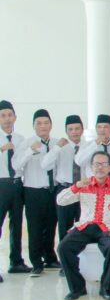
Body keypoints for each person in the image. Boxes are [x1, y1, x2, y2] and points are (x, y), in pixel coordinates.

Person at [56, 151, 110, 300]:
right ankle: (77, 288)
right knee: (63, 248)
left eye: (104, 164)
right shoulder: (84, 184)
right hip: (85, 226)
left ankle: (106, 287)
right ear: (91, 167)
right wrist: (76, 186)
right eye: (97, 164)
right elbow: (60, 200)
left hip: (109, 227)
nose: (100, 167)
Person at [12, 109, 59, 277]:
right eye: (39, 123)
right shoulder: (27, 143)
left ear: (51, 125)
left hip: (52, 190)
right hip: (33, 191)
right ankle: (36, 262)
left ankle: (50, 258)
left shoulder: (57, 143)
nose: (43, 126)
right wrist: (30, 151)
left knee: (51, 226)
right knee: (35, 228)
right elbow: (16, 165)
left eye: (46, 123)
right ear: (33, 126)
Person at [41, 115, 84, 254]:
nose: (74, 132)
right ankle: (65, 259)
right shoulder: (60, 147)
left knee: (83, 225)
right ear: (66, 131)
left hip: (83, 190)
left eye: (77, 128)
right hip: (65, 189)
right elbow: (45, 165)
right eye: (71, 129)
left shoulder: (87, 146)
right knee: (64, 226)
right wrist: (57, 147)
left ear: (82, 130)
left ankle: (82, 260)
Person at [0, 100, 31, 278]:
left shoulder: (20, 139)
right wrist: (1, 149)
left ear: (15, 117)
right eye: (3, 116)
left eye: (10, 115)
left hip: (17, 184)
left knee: (17, 224)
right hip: (1, 184)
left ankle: (16, 262)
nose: (7, 119)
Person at [75, 114, 110, 178]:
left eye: (105, 127)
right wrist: (95, 143)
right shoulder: (87, 145)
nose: (102, 130)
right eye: (99, 127)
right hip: (93, 181)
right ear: (96, 129)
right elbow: (79, 161)